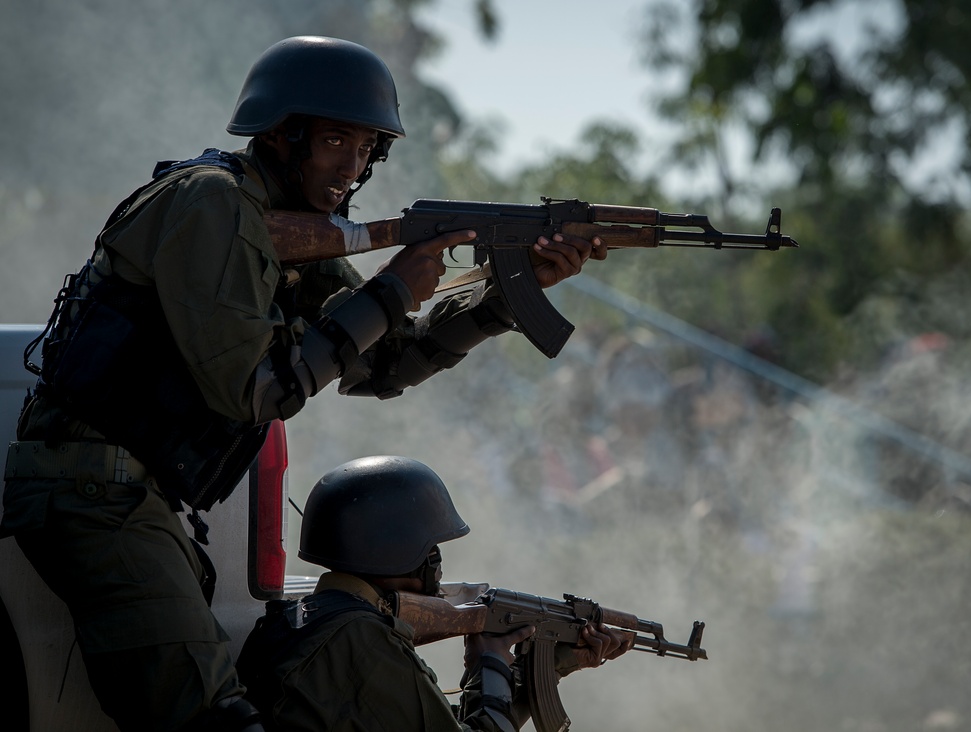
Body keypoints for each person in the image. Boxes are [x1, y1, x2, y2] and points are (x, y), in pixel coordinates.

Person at [0, 36, 605, 732]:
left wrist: (503, 296)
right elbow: (256, 393)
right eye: (332, 141)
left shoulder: (281, 226)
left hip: (123, 495)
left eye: (366, 147)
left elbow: (384, 366)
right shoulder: (212, 203)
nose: (349, 166)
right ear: (283, 136)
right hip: (94, 492)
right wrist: (387, 292)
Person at [236, 455, 635, 731]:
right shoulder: (361, 640)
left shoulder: (299, 621)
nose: (437, 562)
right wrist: (492, 664)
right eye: (431, 549)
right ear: (395, 549)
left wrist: (547, 668)